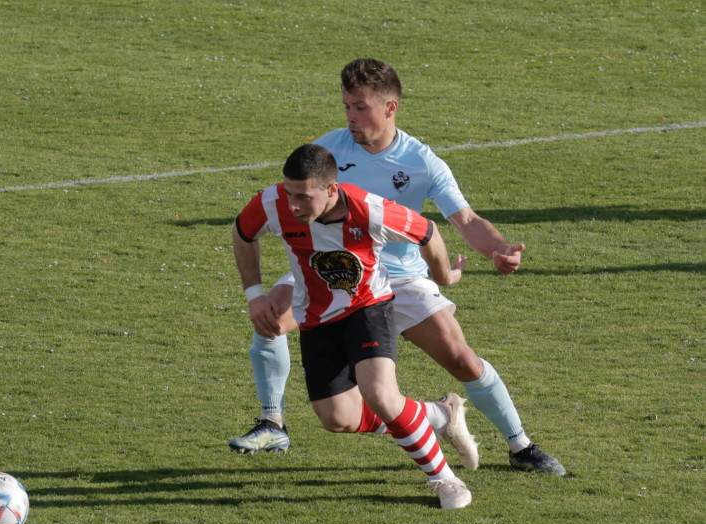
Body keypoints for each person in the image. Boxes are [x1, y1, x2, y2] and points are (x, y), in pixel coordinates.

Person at [229, 58, 565, 476]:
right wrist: (256, 293)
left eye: (361, 107)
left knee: (460, 358)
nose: (351, 117)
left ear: (390, 108)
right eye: (347, 106)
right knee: (270, 317)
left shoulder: (421, 162)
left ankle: (520, 445)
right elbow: (289, 203)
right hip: (333, 268)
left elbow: (465, 220)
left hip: (400, 276)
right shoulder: (327, 150)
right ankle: (272, 421)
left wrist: (497, 249)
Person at [233, 143, 472, 509]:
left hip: (367, 308)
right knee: (337, 419)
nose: (292, 204)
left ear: (331, 190)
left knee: (380, 395)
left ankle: (444, 479)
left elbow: (428, 233)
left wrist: (446, 277)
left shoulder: (371, 211)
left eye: (302, 196)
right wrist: (255, 295)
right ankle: (441, 414)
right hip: (316, 318)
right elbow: (242, 232)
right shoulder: (272, 202)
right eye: (288, 193)